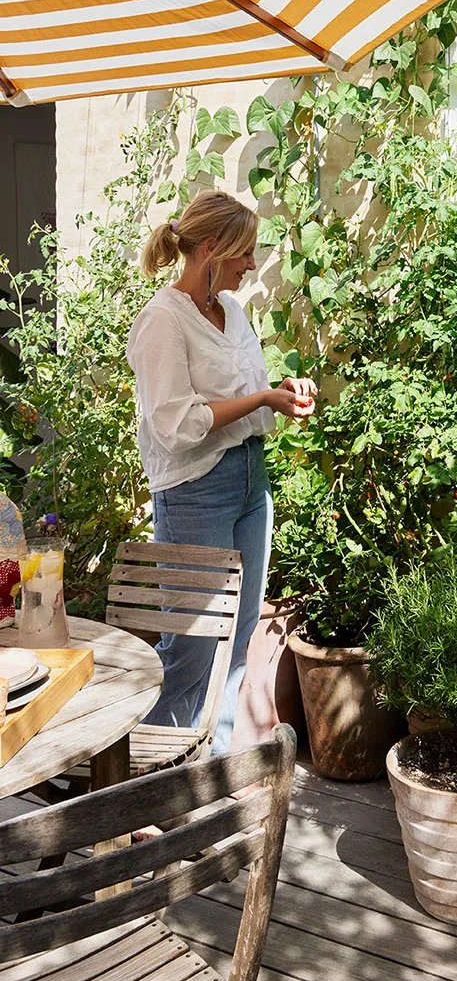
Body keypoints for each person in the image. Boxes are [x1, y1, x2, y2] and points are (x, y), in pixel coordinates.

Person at [127, 190, 315, 754]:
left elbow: (240, 392)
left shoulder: (231, 311)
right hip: (195, 492)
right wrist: (262, 399)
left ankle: (210, 766)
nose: (253, 265)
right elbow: (177, 426)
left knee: (238, 633)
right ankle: (152, 781)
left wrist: (280, 391)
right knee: (192, 643)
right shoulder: (162, 321)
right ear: (210, 250)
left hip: (250, 481)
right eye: (245, 254)